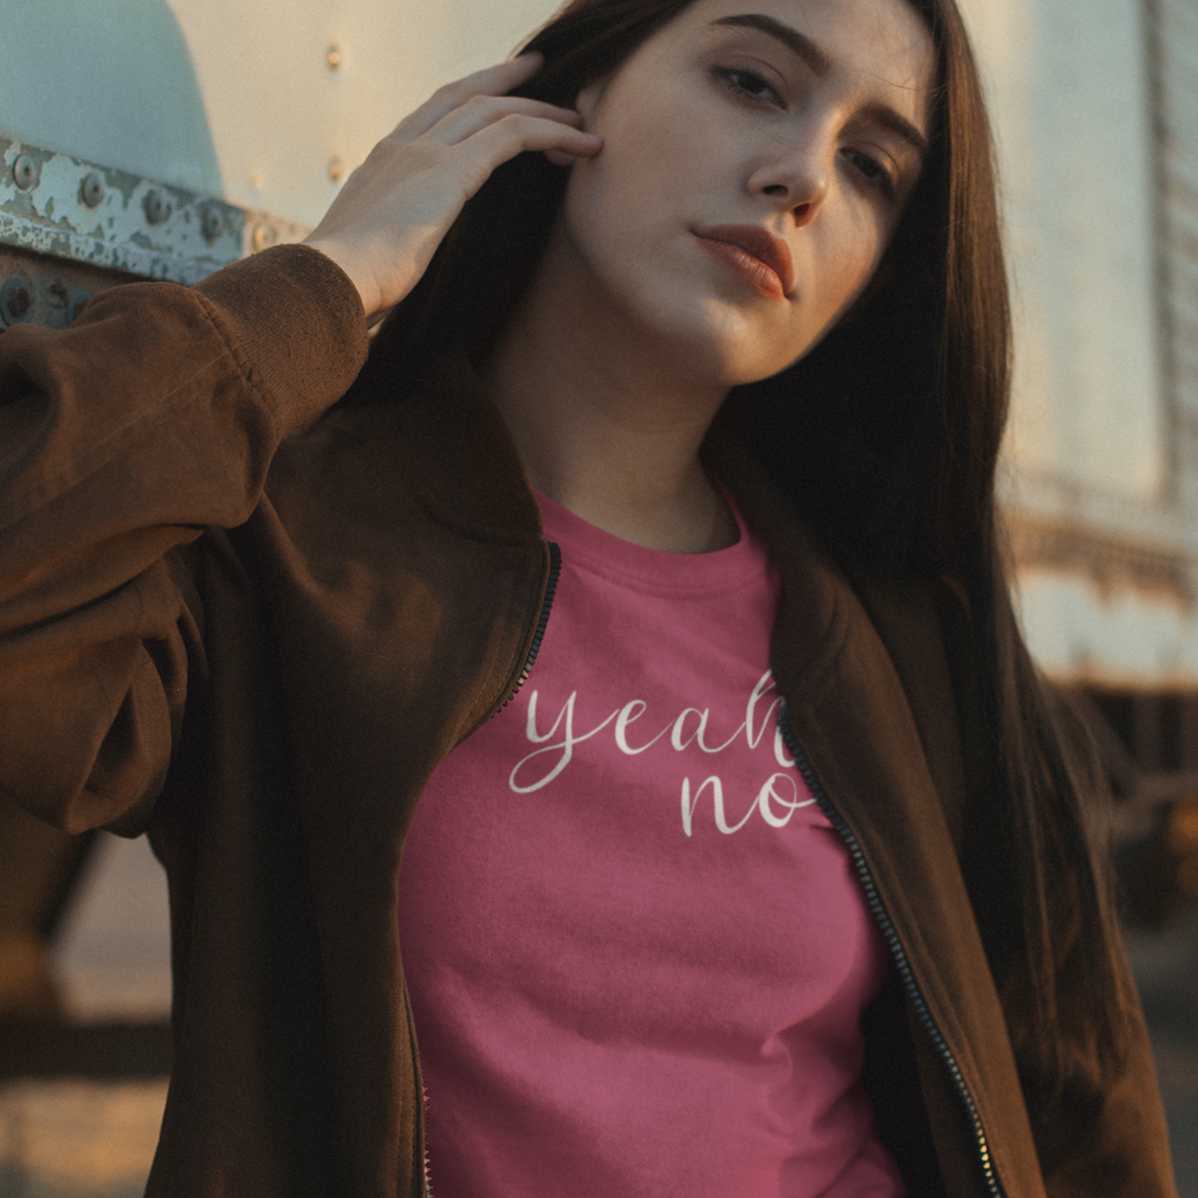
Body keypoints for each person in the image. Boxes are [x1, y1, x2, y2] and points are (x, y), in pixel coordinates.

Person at [0, 0, 1179, 1193]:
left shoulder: (897, 630)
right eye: (753, 82)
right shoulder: (300, 549)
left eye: (871, 166)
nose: (803, 177)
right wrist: (332, 278)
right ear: (577, 91)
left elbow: (1079, 1106)